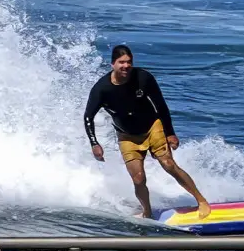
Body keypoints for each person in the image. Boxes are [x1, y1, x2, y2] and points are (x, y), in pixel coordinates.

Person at [83, 45, 211, 220]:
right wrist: (94, 143)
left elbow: (161, 106)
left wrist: (170, 132)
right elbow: (88, 116)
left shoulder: (143, 77)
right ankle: (147, 212)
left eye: (129, 62)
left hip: (152, 126)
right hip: (126, 136)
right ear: (113, 63)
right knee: (138, 179)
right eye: (121, 62)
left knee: (168, 165)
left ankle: (201, 200)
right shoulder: (102, 88)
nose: (126, 66)